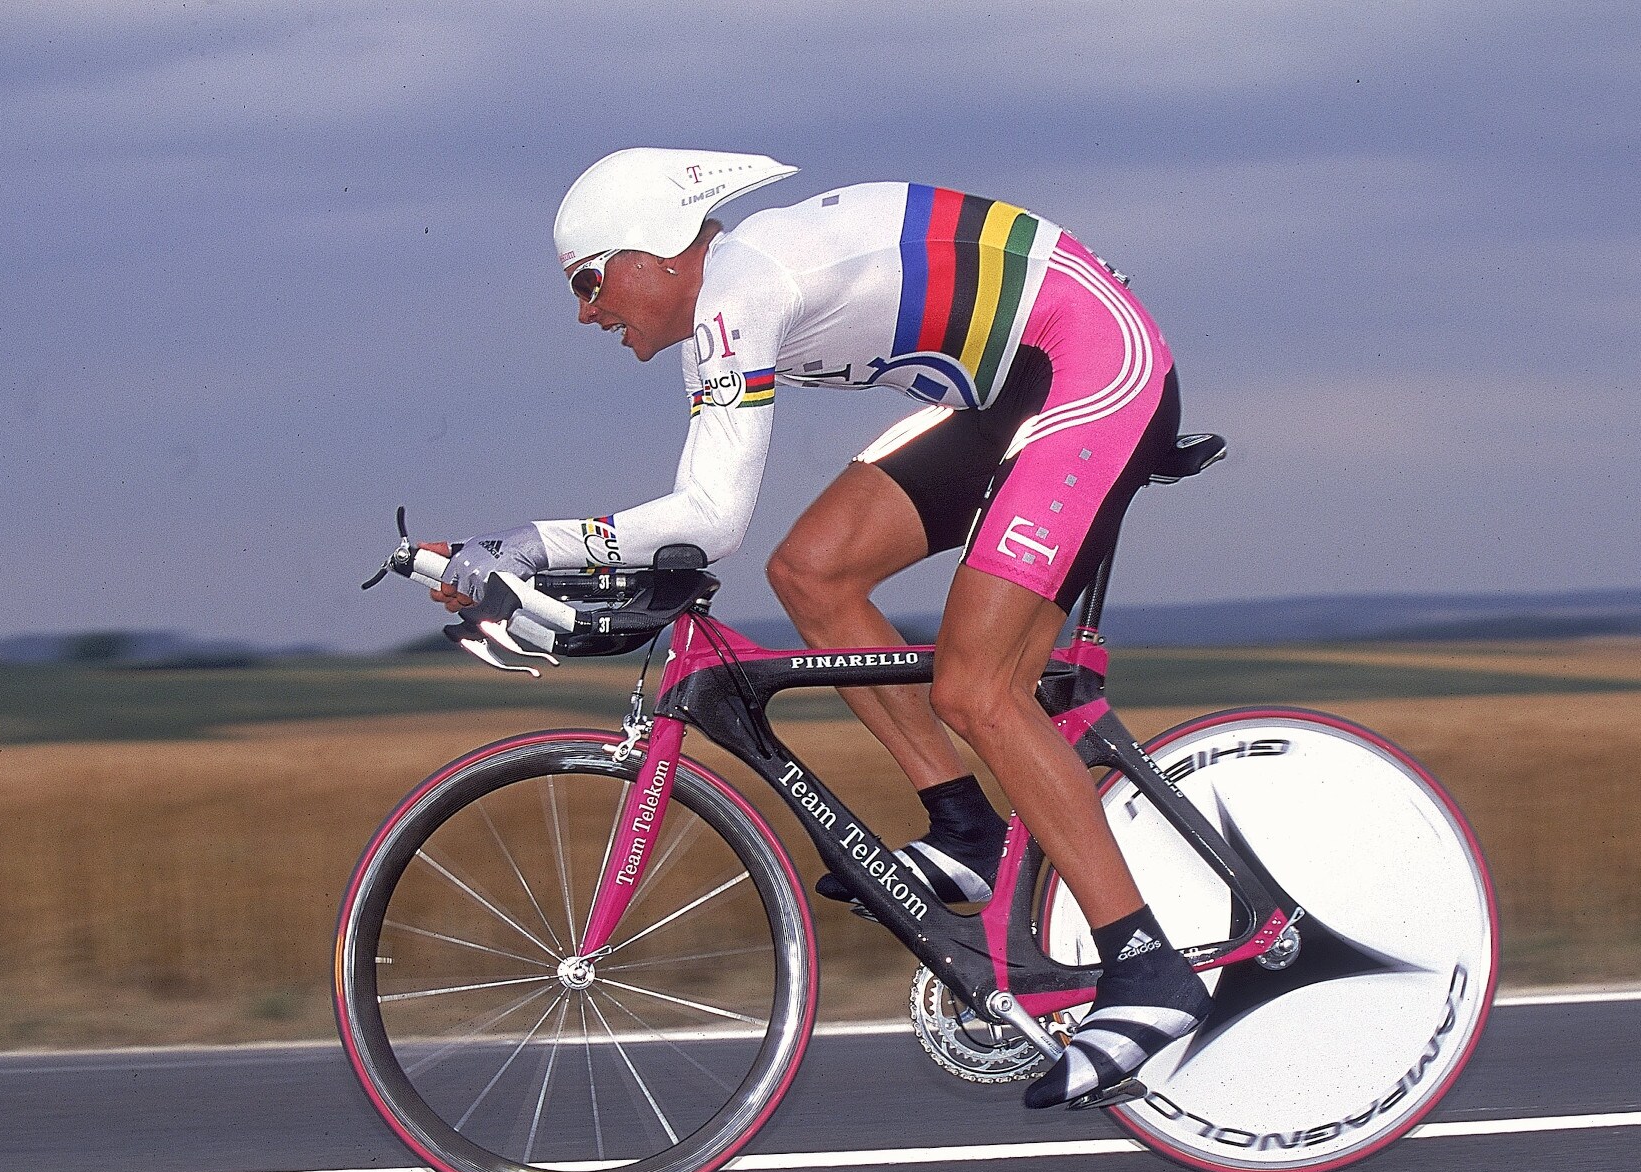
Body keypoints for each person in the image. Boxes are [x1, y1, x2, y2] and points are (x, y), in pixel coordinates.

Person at [430, 148, 1208, 1109]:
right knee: (813, 571)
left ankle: (1145, 968)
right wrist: (520, 557)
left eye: (590, 282)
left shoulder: (738, 292)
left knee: (979, 685)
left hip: (1089, 364)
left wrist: (529, 545)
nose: (586, 312)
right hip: (1006, 389)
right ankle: (967, 827)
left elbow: (708, 516)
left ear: (658, 254)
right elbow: (709, 527)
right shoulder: (729, 300)